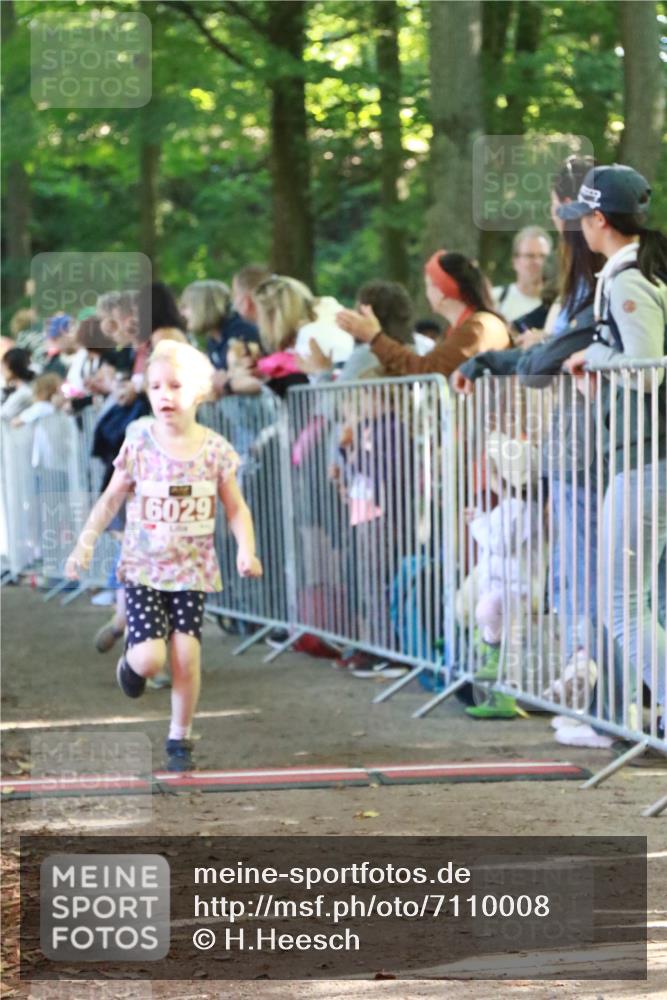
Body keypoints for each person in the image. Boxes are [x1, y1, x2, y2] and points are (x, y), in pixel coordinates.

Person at [65, 340, 263, 771]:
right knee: (151, 659)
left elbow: (236, 508)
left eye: (175, 386)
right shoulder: (139, 446)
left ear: (201, 391)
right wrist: (85, 543)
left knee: (187, 656)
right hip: (144, 568)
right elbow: (111, 498)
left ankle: (179, 738)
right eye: (155, 387)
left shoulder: (215, 450)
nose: (164, 395)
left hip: (192, 571)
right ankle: (130, 665)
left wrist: (246, 549)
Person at [560, 163, 667, 746]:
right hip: (647, 455)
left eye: (583, 217)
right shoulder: (641, 270)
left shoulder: (628, 280)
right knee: (643, 603)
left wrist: (592, 358)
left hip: (645, 458)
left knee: (623, 607)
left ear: (598, 219)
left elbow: (648, 370)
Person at [336, 252, 510, 376]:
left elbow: (426, 370)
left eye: (428, 285)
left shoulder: (477, 327)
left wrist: (374, 337)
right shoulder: (470, 326)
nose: (426, 293)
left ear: (442, 290)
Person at [180, 279, 259, 371]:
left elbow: (249, 373)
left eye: (186, 307)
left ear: (204, 307)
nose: (182, 313)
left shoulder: (241, 333)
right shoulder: (213, 339)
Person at [493, 226, 553, 323]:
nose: (537, 262)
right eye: (530, 256)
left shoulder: (558, 304)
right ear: (515, 261)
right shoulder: (495, 299)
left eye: (543, 256)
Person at [0, 348, 36, 421]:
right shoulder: (12, 388)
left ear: (13, 367)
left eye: (4, 365)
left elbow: (3, 413)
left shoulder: (24, 392)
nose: (1, 370)